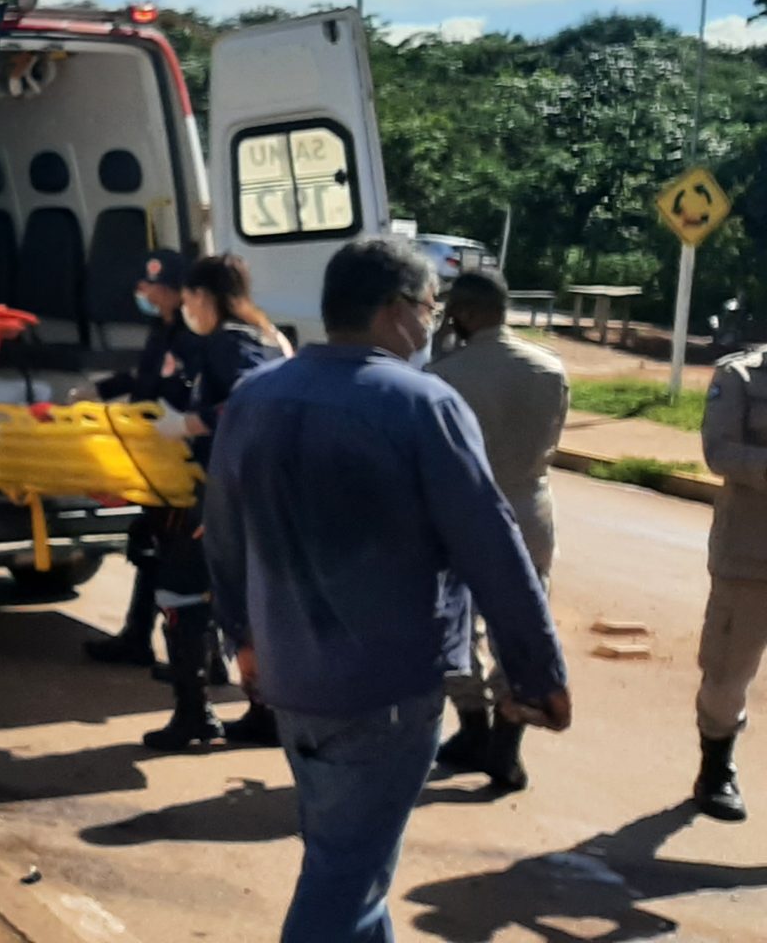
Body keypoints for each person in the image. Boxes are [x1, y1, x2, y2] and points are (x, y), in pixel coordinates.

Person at [206, 237, 568, 943]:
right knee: (344, 880)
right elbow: (490, 543)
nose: (433, 324)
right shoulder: (422, 403)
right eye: (431, 308)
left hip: (289, 676)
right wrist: (537, 671)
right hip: (386, 691)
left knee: (347, 863)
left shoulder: (255, 396)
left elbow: (222, 532)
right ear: (399, 310)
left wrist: (241, 639)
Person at [425, 269, 569, 791]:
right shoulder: (548, 367)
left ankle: (473, 727)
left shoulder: (447, 373)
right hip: (531, 506)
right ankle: (507, 746)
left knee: (458, 624)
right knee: (522, 621)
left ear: (461, 313)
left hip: (465, 509)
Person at [142, 253, 290, 751]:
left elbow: (250, 399)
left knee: (180, 592)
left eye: (189, 301)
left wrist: (190, 423)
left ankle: (193, 714)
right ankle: (265, 712)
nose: (188, 310)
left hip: (226, 493)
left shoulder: (231, 341)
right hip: (262, 492)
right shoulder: (272, 337)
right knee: (250, 601)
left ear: (204, 298)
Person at [85, 249, 204, 668]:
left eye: (149, 286)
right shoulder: (161, 329)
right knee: (152, 545)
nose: (143, 293)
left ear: (172, 290)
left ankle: (199, 658)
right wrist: (100, 390)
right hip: (154, 452)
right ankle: (137, 636)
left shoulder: (195, 335)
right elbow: (144, 377)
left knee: (181, 556)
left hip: (183, 457)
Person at [695, 343, 767, 822]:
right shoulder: (740, 375)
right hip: (750, 555)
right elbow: (719, 452)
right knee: (727, 674)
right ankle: (716, 766)